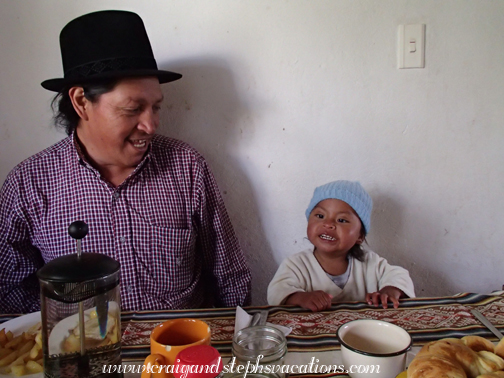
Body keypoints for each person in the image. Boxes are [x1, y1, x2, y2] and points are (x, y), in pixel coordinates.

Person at [0, 10, 251, 313]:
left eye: (156, 107)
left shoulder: (187, 167)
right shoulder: (28, 184)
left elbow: (229, 274)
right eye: (133, 109)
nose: (151, 124)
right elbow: (10, 290)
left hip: (179, 352)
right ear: (81, 101)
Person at [267, 180, 414, 311]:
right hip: (314, 337)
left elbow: (399, 275)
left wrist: (389, 290)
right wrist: (300, 298)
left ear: (360, 236)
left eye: (342, 220)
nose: (328, 224)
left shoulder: (370, 263)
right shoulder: (296, 265)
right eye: (320, 216)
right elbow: (276, 292)